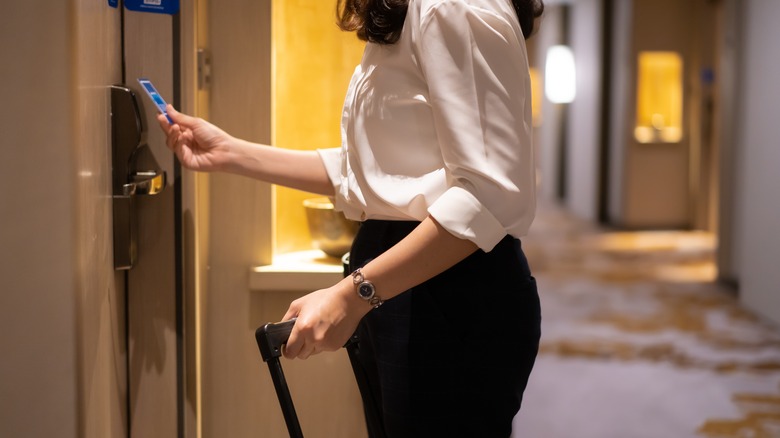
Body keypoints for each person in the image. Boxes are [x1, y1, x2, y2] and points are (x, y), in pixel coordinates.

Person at [158, 0, 544, 436]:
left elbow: (487, 195)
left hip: (449, 285)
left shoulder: (454, 5)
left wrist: (352, 295)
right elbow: (377, 175)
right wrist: (230, 153)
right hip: (409, 278)